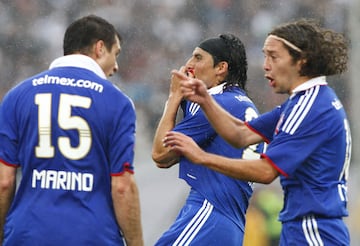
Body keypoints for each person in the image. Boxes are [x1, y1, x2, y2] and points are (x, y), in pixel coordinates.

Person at [165, 19, 352, 245]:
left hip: (313, 230)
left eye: (274, 57)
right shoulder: (302, 103)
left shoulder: (311, 108)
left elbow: (266, 172)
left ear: (301, 61)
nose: (265, 65)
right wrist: (206, 101)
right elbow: (241, 135)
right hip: (303, 227)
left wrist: (203, 157)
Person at [0, 15, 143, 246]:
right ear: (99, 48)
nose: (116, 66)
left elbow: (4, 181)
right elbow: (122, 186)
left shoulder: (17, 96)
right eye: (115, 54)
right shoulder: (117, 102)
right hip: (92, 235)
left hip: (28, 233)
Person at [152, 33, 264, 245]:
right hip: (230, 222)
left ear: (221, 68)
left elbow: (161, 155)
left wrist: (174, 97)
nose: (189, 64)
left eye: (198, 57)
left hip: (209, 211)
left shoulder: (217, 104)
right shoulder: (239, 102)